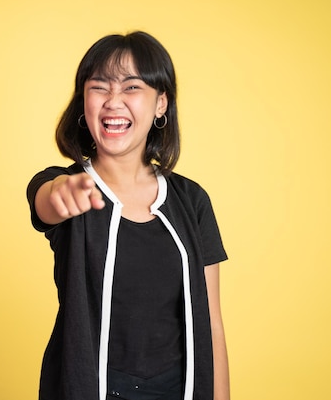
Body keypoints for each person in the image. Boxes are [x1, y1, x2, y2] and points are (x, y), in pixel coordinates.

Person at [26, 31, 229, 400]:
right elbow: (46, 202)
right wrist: (62, 194)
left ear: (161, 103)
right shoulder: (67, 185)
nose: (113, 102)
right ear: (83, 101)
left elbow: (211, 322)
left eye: (132, 88)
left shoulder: (191, 201)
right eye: (99, 87)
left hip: (178, 390)